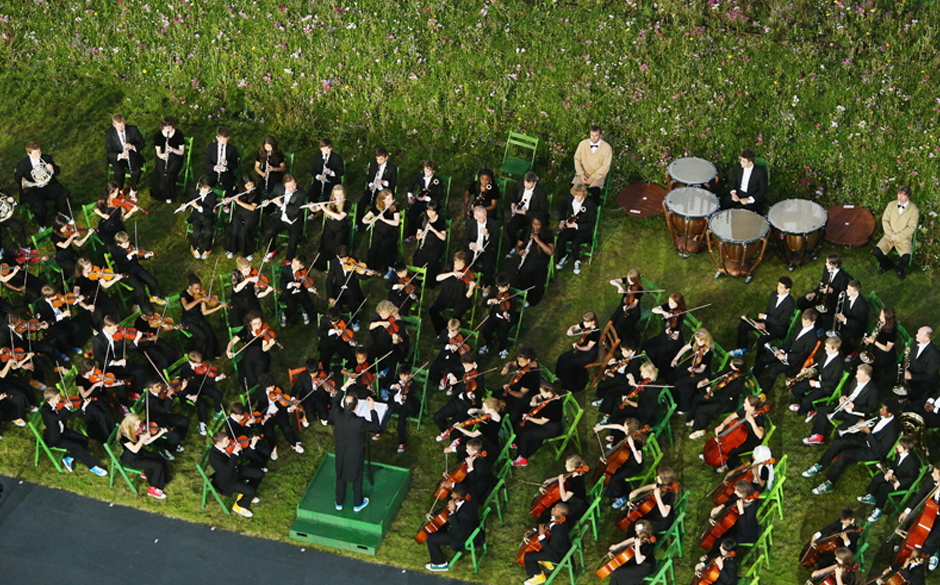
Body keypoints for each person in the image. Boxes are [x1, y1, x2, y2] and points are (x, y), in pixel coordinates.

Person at [803, 399, 900, 494]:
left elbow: (880, 451)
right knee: (838, 443)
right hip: (865, 440)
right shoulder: (882, 416)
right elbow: (874, 425)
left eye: (883, 409)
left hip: (873, 452)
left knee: (846, 454)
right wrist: (863, 424)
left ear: (890, 414)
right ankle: (820, 465)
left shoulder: (892, 431)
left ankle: (829, 482)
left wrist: (869, 433)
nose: (880, 410)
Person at [330, 380, 380, 511]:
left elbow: (335, 401)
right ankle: (358, 503)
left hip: (341, 451)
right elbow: (375, 427)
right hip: (355, 453)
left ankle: (339, 502)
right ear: (356, 407)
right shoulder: (359, 422)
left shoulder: (337, 414)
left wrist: (344, 386)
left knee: (340, 475)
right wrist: (372, 408)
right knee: (357, 477)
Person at [804, 364, 880, 446]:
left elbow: (872, 408)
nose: (856, 376)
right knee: (822, 410)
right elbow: (847, 390)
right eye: (857, 373)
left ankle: (836, 448)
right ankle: (818, 436)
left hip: (856, 415)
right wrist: (843, 396)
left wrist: (854, 407)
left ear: (867, 377)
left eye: (859, 375)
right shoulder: (856, 380)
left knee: (839, 430)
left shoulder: (873, 390)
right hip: (844, 407)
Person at [40, 389, 108, 477]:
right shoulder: (45, 411)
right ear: (51, 400)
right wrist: (66, 408)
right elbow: (56, 418)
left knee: (84, 440)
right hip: (55, 438)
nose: (60, 398)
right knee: (78, 447)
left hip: (64, 431)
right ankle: (93, 467)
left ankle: (69, 458)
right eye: (58, 397)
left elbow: (71, 416)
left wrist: (83, 408)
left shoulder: (58, 405)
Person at [753, 308, 818, 392]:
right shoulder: (801, 326)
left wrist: (786, 356)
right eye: (803, 320)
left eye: (807, 322)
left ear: (813, 322)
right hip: (785, 353)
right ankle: (753, 378)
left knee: (774, 370)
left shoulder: (813, 338)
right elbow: (791, 340)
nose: (804, 324)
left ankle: (763, 393)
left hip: (794, 362)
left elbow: (802, 355)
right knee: (763, 358)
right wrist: (782, 350)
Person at [858, 436, 919, 522]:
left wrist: (899, 482)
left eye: (900, 446)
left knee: (884, 489)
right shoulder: (900, 453)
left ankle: (878, 510)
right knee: (877, 478)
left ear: (906, 449)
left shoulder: (912, 463)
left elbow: (912, 478)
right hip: (895, 475)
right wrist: (890, 471)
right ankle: (871, 496)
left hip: (902, 482)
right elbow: (895, 464)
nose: (897, 446)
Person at [731, 276, 795, 357]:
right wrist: (763, 323)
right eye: (778, 286)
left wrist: (765, 318)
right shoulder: (774, 294)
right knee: (743, 324)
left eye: (781, 287)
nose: (778, 288)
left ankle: (760, 360)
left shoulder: (790, 304)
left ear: (788, 289)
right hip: (767, 322)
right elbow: (768, 310)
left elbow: (781, 322)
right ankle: (743, 348)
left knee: (762, 340)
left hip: (777, 328)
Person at [424, 483, 480, 572]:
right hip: (468, 527)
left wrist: (453, 513)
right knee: (441, 523)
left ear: (458, 496)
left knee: (431, 538)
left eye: (453, 493)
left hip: (461, 537)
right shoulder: (469, 497)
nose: (451, 495)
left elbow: (457, 531)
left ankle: (440, 564)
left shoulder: (464, 514)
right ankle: (443, 540)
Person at [14, 141, 71, 228]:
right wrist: (31, 184)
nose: (39, 155)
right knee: (38, 207)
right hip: (33, 190)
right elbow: (18, 179)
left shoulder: (47, 158)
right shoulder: (22, 165)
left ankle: (61, 212)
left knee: (64, 194)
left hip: (49, 186)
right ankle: (42, 225)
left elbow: (58, 171)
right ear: (29, 153)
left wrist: (52, 169)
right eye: (35, 153)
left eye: (39, 152)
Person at [209, 431, 265, 518]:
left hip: (236, 471)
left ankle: (244, 495)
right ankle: (239, 505)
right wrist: (234, 453)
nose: (229, 443)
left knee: (259, 474)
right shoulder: (214, 458)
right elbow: (228, 470)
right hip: (228, 480)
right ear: (219, 443)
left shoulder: (226, 447)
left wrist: (252, 446)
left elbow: (241, 457)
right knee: (251, 491)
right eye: (226, 441)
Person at [687, 357, 746, 437]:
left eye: (732, 364)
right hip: (720, 395)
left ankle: (700, 429)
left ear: (738, 368)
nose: (729, 364)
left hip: (726, 403)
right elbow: (719, 375)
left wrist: (712, 394)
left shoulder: (738, 382)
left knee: (702, 410)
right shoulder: (732, 371)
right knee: (697, 398)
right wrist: (706, 380)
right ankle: (692, 419)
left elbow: (726, 394)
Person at [705, 395, 766, 472]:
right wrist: (722, 425)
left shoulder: (759, 418)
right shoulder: (744, 410)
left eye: (746, 403)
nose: (744, 404)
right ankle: (712, 454)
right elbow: (731, 417)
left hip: (752, 440)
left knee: (733, 451)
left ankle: (728, 465)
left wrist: (752, 422)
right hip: (741, 433)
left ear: (752, 407)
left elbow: (760, 436)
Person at [789, 336, 844, 420]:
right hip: (818, 379)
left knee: (806, 400)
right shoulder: (827, 354)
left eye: (827, 347)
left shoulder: (839, 364)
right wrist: (809, 369)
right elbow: (820, 366)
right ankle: (807, 407)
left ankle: (806, 409)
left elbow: (832, 383)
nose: (825, 348)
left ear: (835, 349)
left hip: (826, 387)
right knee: (795, 389)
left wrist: (816, 384)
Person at [117, 413, 170, 499]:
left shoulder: (137, 430)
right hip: (132, 459)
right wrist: (142, 439)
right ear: (130, 425)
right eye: (137, 425)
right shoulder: (124, 437)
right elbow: (134, 450)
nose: (139, 427)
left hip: (140, 453)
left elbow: (146, 442)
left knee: (160, 459)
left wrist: (159, 434)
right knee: (157, 465)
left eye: (139, 424)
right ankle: (153, 488)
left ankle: (164, 478)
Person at [109, 230, 164, 312]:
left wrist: (145, 256)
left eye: (128, 241)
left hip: (136, 268)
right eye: (124, 243)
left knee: (152, 281)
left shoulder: (130, 247)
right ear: (118, 244)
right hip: (125, 273)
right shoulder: (115, 252)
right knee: (139, 287)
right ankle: (138, 303)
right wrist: (130, 254)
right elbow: (121, 263)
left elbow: (137, 257)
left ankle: (154, 296)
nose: (127, 244)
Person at [897, 466, 940, 570]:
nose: (932, 475)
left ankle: (934, 552)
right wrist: (907, 512)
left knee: (929, 541)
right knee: (911, 522)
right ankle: (907, 544)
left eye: (935, 473)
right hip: (930, 512)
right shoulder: (932, 481)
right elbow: (921, 494)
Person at [512, 383, 564, 467]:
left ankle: (523, 458)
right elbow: (537, 396)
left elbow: (541, 422)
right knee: (521, 424)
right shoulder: (550, 395)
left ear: (549, 392)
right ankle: (519, 443)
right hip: (546, 422)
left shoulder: (554, 405)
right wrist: (534, 400)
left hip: (551, 428)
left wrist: (528, 418)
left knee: (525, 434)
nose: (541, 393)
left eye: (542, 392)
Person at [615, 467, 678, 535]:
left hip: (662, 521)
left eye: (659, 476)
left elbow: (665, 514)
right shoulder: (662, 486)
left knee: (636, 526)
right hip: (656, 513)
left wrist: (658, 497)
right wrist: (637, 491)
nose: (657, 477)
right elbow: (651, 486)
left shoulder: (669, 494)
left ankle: (636, 543)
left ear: (664, 479)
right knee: (635, 522)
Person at [873, 185, 919, 280]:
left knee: (905, 258)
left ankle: (899, 269)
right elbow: (885, 220)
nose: (900, 197)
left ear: (908, 197)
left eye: (903, 195)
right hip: (889, 236)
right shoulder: (891, 205)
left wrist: (897, 237)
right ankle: (887, 265)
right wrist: (890, 234)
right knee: (877, 252)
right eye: (899, 194)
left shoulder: (914, 210)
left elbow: (911, 228)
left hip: (903, 239)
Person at [521, 502, 571, 585]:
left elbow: (551, 551)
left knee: (528, 556)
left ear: (560, 514)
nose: (552, 509)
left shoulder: (558, 530)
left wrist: (541, 536)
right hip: (558, 547)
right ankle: (547, 562)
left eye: (555, 509)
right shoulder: (557, 520)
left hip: (556, 555)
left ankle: (539, 576)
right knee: (536, 548)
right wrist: (534, 530)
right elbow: (547, 525)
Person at [177, 350, 225, 436]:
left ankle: (217, 412)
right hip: (191, 391)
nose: (201, 364)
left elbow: (205, 376)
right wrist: (189, 396)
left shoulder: (200, 367)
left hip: (200, 386)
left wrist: (217, 378)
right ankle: (201, 423)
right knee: (201, 404)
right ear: (192, 362)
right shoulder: (185, 371)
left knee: (218, 394)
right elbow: (181, 388)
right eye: (198, 363)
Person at [179, 273, 226, 360]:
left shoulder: (201, 294)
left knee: (210, 333)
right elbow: (186, 307)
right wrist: (199, 299)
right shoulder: (183, 294)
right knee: (202, 336)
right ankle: (199, 356)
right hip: (188, 321)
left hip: (199, 318)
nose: (198, 291)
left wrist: (218, 307)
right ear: (190, 287)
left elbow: (204, 312)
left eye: (199, 288)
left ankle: (212, 355)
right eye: (195, 289)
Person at [667, 328, 714, 415]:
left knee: (681, 383)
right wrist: (676, 358)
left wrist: (694, 370)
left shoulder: (708, 353)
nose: (697, 342)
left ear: (706, 339)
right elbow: (685, 347)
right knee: (673, 375)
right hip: (693, 366)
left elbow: (702, 369)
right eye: (696, 339)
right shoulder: (697, 344)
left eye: (700, 340)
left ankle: (684, 407)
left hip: (701, 372)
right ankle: (670, 396)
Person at [326, 245, 377, 326]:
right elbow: (329, 280)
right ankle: (340, 322)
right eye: (343, 258)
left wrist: (367, 274)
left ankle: (354, 320)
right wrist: (330, 296)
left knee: (353, 305)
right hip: (338, 288)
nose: (346, 260)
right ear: (337, 256)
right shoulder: (334, 263)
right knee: (336, 306)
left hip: (351, 287)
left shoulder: (354, 261)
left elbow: (361, 276)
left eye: (347, 257)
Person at [260, 173, 306, 262]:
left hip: (294, 220)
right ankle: (272, 250)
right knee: (268, 232)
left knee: (293, 240)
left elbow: (295, 210)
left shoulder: (301, 193)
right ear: (284, 186)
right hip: (280, 217)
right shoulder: (278, 187)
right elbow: (271, 196)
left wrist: (281, 205)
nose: (293, 188)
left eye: (294, 185)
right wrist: (267, 200)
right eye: (289, 187)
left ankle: (289, 259)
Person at [226, 312, 277, 391]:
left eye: (260, 322)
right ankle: (252, 392)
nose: (259, 326)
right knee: (249, 377)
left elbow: (264, 349)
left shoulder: (264, 331)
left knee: (259, 376)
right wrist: (228, 350)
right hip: (249, 356)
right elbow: (232, 342)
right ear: (250, 323)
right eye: (255, 324)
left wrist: (270, 345)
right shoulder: (246, 330)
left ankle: (261, 392)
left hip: (261, 357)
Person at [428, 251, 476, 334]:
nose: (459, 266)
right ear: (454, 262)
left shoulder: (467, 275)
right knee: (432, 311)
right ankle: (442, 331)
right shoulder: (449, 268)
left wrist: (471, 288)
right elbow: (438, 278)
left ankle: (454, 333)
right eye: (457, 263)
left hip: (460, 300)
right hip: (446, 296)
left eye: (461, 264)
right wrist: (452, 273)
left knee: (455, 318)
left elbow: (467, 296)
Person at [434, 354, 483, 433]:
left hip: (468, 405)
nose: (465, 369)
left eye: (467, 367)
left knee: (452, 425)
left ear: (474, 364)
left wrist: (470, 396)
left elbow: (479, 395)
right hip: (457, 399)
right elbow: (446, 369)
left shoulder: (479, 376)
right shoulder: (463, 368)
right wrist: (451, 376)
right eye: (464, 366)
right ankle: (446, 432)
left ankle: (452, 433)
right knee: (437, 417)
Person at [555, 183, 597, 276]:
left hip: (583, 230)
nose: (576, 197)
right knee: (560, 241)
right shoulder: (569, 198)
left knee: (575, 244)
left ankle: (576, 261)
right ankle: (563, 257)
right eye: (575, 195)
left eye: (579, 195)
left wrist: (576, 226)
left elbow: (591, 224)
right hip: (570, 227)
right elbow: (563, 208)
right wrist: (562, 220)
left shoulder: (590, 205)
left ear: (584, 194)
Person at [141, 379, 189, 459]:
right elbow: (165, 410)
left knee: (185, 421)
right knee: (174, 435)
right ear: (150, 389)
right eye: (157, 386)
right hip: (156, 423)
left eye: (159, 385)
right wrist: (168, 396)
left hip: (163, 416)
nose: (160, 387)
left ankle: (176, 442)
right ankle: (167, 448)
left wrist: (181, 389)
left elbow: (172, 397)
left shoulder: (159, 392)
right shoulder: (151, 402)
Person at [554, 311, 601, 393]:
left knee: (570, 364)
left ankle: (569, 385)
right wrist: (570, 329)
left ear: (593, 321)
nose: (584, 324)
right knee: (562, 357)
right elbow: (575, 327)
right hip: (581, 347)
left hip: (589, 353)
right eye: (584, 322)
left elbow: (588, 347)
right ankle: (559, 376)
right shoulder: (586, 326)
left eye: (586, 322)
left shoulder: (595, 333)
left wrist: (578, 348)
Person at [705, 481, 759, 552]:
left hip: (746, 534)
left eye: (737, 490)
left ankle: (711, 556)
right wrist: (721, 506)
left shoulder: (752, 508)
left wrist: (741, 511)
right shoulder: (744, 498)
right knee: (722, 532)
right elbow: (733, 500)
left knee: (721, 541)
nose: (735, 492)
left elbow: (745, 527)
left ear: (743, 494)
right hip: (738, 525)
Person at [599, 519, 657, 585]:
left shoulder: (648, 544)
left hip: (645, 567)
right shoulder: (641, 537)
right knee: (618, 568)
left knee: (618, 573)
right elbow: (632, 539)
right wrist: (618, 546)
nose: (635, 530)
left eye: (637, 529)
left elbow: (639, 561)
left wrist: (637, 546)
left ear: (642, 531)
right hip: (637, 563)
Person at [513, 216, 554, 307]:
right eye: (534, 224)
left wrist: (538, 241)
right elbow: (518, 245)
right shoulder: (526, 231)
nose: (535, 227)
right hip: (528, 256)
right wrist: (519, 251)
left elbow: (550, 252)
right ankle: (520, 293)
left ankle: (531, 298)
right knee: (519, 270)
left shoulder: (547, 233)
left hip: (541, 258)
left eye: (538, 225)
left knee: (533, 270)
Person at [505, 171, 549, 256]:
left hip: (533, 217)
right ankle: (513, 246)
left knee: (527, 230)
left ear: (534, 182)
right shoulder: (520, 184)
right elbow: (514, 191)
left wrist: (526, 212)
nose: (526, 186)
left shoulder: (541, 193)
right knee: (510, 228)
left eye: (529, 184)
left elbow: (542, 212)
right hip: (520, 214)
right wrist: (513, 203)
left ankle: (524, 249)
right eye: (525, 183)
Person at [642, 292, 687, 373]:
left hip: (672, 340)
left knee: (661, 352)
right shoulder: (669, 307)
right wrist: (664, 312)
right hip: (664, 334)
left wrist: (669, 333)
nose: (670, 304)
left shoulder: (679, 317)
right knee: (648, 345)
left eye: (673, 303)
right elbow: (654, 309)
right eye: (669, 302)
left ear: (678, 303)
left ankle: (657, 369)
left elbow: (676, 336)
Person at [35, 284, 84, 358]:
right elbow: (46, 321)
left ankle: (73, 344)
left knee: (75, 326)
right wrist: (62, 316)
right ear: (46, 297)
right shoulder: (40, 306)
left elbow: (64, 302)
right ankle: (62, 352)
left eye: (55, 294)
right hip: (51, 325)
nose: (56, 296)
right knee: (62, 336)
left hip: (61, 318)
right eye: (53, 296)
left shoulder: (57, 296)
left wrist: (76, 299)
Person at [366, 299, 410, 382]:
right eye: (380, 313)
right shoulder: (381, 316)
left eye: (383, 313)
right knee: (368, 353)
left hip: (394, 347)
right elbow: (368, 326)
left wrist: (395, 340)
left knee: (391, 360)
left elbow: (397, 344)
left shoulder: (399, 323)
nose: (381, 315)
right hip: (380, 343)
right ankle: (372, 373)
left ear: (390, 311)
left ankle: (385, 374)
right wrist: (380, 323)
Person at [175, 175, 218, 259]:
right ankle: (194, 247)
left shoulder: (213, 196)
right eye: (205, 188)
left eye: (208, 187)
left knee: (209, 232)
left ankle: (208, 249)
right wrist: (184, 207)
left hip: (207, 217)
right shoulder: (194, 193)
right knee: (196, 233)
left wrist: (198, 207)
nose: (207, 190)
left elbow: (209, 210)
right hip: (196, 217)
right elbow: (188, 202)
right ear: (200, 187)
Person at [796, 254, 849, 319]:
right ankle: (807, 317)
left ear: (835, 265)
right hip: (822, 295)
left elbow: (843, 294)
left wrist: (832, 291)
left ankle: (813, 320)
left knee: (819, 313)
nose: (826, 264)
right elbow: (823, 283)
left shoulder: (843, 278)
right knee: (801, 302)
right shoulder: (826, 269)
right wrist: (814, 293)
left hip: (832, 300)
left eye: (828, 263)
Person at [894, 326, 940, 400]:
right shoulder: (914, 343)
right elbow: (909, 359)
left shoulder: (934, 355)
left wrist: (911, 377)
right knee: (894, 378)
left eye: (919, 334)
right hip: (912, 371)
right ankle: (902, 395)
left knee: (913, 394)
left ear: (926, 339)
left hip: (924, 379)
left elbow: (929, 375)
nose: (916, 335)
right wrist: (905, 373)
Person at [105, 114, 146, 197]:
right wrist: (120, 155)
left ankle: (133, 189)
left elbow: (142, 144)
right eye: (119, 126)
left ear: (124, 122)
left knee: (137, 170)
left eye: (122, 126)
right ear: (114, 125)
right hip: (118, 157)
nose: (121, 129)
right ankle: (120, 189)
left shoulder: (133, 129)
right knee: (119, 172)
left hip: (132, 155)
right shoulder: (109, 134)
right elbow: (109, 152)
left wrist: (133, 147)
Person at [362, 190, 401, 277]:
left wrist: (383, 219)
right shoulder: (377, 207)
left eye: (391, 198)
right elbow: (364, 219)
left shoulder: (395, 207)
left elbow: (396, 223)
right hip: (379, 232)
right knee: (373, 249)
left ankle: (390, 268)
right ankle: (374, 269)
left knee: (384, 248)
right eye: (388, 199)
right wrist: (369, 221)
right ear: (382, 200)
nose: (391, 200)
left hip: (390, 233)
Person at [229, 256, 274, 331]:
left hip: (251, 299)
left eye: (249, 269)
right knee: (236, 321)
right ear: (240, 269)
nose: (248, 272)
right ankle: (242, 335)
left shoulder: (254, 273)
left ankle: (256, 333)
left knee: (257, 319)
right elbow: (236, 289)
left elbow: (258, 294)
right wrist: (248, 280)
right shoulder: (235, 273)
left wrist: (267, 292)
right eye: (245, 271)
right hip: (238, 300)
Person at [478, 273, 517, 359]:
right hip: (495, 316)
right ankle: (488, 344)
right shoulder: (495, 291)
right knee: (485, 331)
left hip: (506, 318)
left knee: (502, 333)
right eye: (499, 287)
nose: (500, 289)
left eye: (503, 287)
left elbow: (513, 308)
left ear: (508, 285)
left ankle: (503, 349)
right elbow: (483, 303)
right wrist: (490, 300)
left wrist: (507, 314)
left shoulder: (512, 295)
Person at [498, 347, 542, 423]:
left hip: (527, 395)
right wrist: (506, 367)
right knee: (498, 393)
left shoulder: (531, 376)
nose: (519, 363)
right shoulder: (524, 363)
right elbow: (510, 363)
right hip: (519, 386)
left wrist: (509, 391)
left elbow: (521, 394)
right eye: (518, 361)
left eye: (521, 361)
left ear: (528, 360)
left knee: (513, 409)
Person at [223, 175, 261, 260]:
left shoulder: (257, 192)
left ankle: (248, 252)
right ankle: (232, 249)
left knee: (244, 231)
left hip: (251, 215)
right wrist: (227, 201)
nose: (251, 187)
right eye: (248, 185)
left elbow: (252, 208)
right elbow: (230, 197)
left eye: (252, 184)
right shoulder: (238, 190)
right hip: (239, 213)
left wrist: (239, 202)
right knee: (234, 229)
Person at [404, 160, 445, 240]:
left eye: (428, 170)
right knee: (411, 213)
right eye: (425, 170)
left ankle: (428, 235)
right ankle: (412, 234)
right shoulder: (420, 176)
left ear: (433, 171)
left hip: (431, 203)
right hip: (420, 201)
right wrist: (410, 195)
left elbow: (439, 196)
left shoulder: (437, 180)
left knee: (427, 216)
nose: (426, 172)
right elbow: (412, 183)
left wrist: (426, 198)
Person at [571, 125, 612, 202]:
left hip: (597, 175)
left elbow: (606, 166)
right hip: (583, 173)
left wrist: (593, 177)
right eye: (591, 135)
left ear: (600, 136)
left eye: (596, 135)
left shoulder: (607, 148)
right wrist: (581, 173)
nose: (593, 138)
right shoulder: (582, 144)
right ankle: (573, 211)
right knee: (573, 191)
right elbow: (577, 159)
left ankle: (590, 211)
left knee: (593, 194)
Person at [94, 180, 141, 247]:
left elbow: (124, 217)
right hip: (106, 229)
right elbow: (95, 208)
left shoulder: (120, 202)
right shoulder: (103, 200)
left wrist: (131, 211)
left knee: (125, 243)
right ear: (110, 191)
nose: (116, 194)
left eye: (117, 192)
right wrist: (102, 215)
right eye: (114, 192)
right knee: (112, 245)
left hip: (118, 227)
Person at [463, 205, 498, 295]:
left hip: (487, 250)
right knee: (465, 262)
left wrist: (487, 236)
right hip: (474, 249)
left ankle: (487, 285)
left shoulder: (493, 224)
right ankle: (468, 282)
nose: (483, 219)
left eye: (484, 216)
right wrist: (471, 245)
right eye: (479, 217)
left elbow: (495, 242)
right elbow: (464, 239)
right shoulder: (471, 223)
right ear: (475, 217)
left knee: (487, 266)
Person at [314, 185, 350, 271]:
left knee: (336, 245)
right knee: (326, 243)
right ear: (333, 195)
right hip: (329, 228)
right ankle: (325, 265)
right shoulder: (329, 201)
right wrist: (313, 206)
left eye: (341, 195)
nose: (339, 197)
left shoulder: (347, 203)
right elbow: (316, 209)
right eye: (337, 195)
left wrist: (324, 209)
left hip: (341, 229)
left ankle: (335, 266)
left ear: (344, 194)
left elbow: (339, 217)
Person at [357, 147, 397, 223]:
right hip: (373, 189)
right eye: (377, 159)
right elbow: (368, 177)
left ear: (386, 158)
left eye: (381, 159)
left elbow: (394, 183)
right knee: (361, 203)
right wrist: (371, 184)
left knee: (377, 205)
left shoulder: (392, 168)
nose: (379, 162)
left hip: (383, 191)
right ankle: (359, 223)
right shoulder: (373, 165)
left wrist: (383, 182)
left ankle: (376, 222)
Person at [411, 199, 448, 283]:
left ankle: (429, 281)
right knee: (417, 257)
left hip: (436, 245)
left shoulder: (441, 220)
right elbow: (417, 236)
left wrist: (433, 229)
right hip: (426, 245)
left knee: (431, 259)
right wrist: (420, 235)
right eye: (428, 211)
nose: (430, 213)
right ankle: (418, 278)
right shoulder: (422, 219)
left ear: (436, 211)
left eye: (432, 211)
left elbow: (443, 238)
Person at [151, 116, 186, 204]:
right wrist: (161, 155)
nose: (168, 128)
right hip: (164, 156)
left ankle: (169, 195)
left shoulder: (178, 134)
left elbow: (181, 152)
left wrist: (173, 149)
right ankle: (161, 194)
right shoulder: (158, 135)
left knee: (170, 174)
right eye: (166, 126)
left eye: (170, 126)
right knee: (162, 173)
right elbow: (158, 152)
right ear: (162, 126)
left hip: (176, 156)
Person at [278, 254, 319, 327]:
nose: (294, 267)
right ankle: (284, 313)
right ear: (293, 260)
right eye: (294, 264)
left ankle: (304, 311)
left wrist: (311, 289)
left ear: (302, 267)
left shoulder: (304, 271)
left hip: (300, 292)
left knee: (310, 306)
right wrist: (292, 284)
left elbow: (306, 283)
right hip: (289, 293)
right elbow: (282, 285)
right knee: (292, 308)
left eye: (297, 267)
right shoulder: (285, 270)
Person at [292, 358, 335, 428]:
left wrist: (331, 394)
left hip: (320, 396)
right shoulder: (303, 375)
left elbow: (327, 388)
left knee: (325, 416)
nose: (315, 375)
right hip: (308, 397)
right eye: (312, 374)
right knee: (311, 417)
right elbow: (296, 387)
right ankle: (306, 416)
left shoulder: (323, 374)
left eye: (316, 372)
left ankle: (322, 417)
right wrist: (293, 398)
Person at [831, 280, 869, 358]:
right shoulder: (847, 296)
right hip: (847, 319)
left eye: (849, 290)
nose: (846, 291)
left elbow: (858, 324)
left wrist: (845, 320)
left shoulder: (863, 307)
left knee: (842, 339)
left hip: (856, 328)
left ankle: (851, 352)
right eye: (847, 288)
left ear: (856, 292)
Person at [387, 365, 420, 454]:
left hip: (404, 406)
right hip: (394, 403)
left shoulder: (412, 384)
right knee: (386, 412)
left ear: (410, 375)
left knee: (401, 424)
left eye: (407, 376)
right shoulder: (396, 380)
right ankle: (379, 430)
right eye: (402, 376)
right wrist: (394, 386)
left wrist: (404, 395)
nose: (404, 378)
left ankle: (401, 443)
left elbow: (410, 393)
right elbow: (388, 386)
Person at [722, 149, 767, 213]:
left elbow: (762, 190)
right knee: (725, 203)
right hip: (738, 193)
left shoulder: (760, 172)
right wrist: (733, 193)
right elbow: (733, 180)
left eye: (744, 161)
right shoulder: (738, 166)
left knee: (746, 214)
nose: (741, 162)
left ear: (750, 162)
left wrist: (749, 200)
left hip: (751, 195)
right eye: (741, 160)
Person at [204, 126, 239, 197]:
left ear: (228, 138)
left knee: (229, 185)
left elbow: (235, 165)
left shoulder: (232, 149)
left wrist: (226, 163)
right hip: (214, 172)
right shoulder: (211, 147)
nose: (222, 141)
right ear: (217, 137)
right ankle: (208, 199)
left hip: (226, 172)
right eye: (220, 139)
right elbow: (207, 162)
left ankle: (226, 202)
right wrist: (214, 167)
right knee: (206, 184)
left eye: (224, 139)